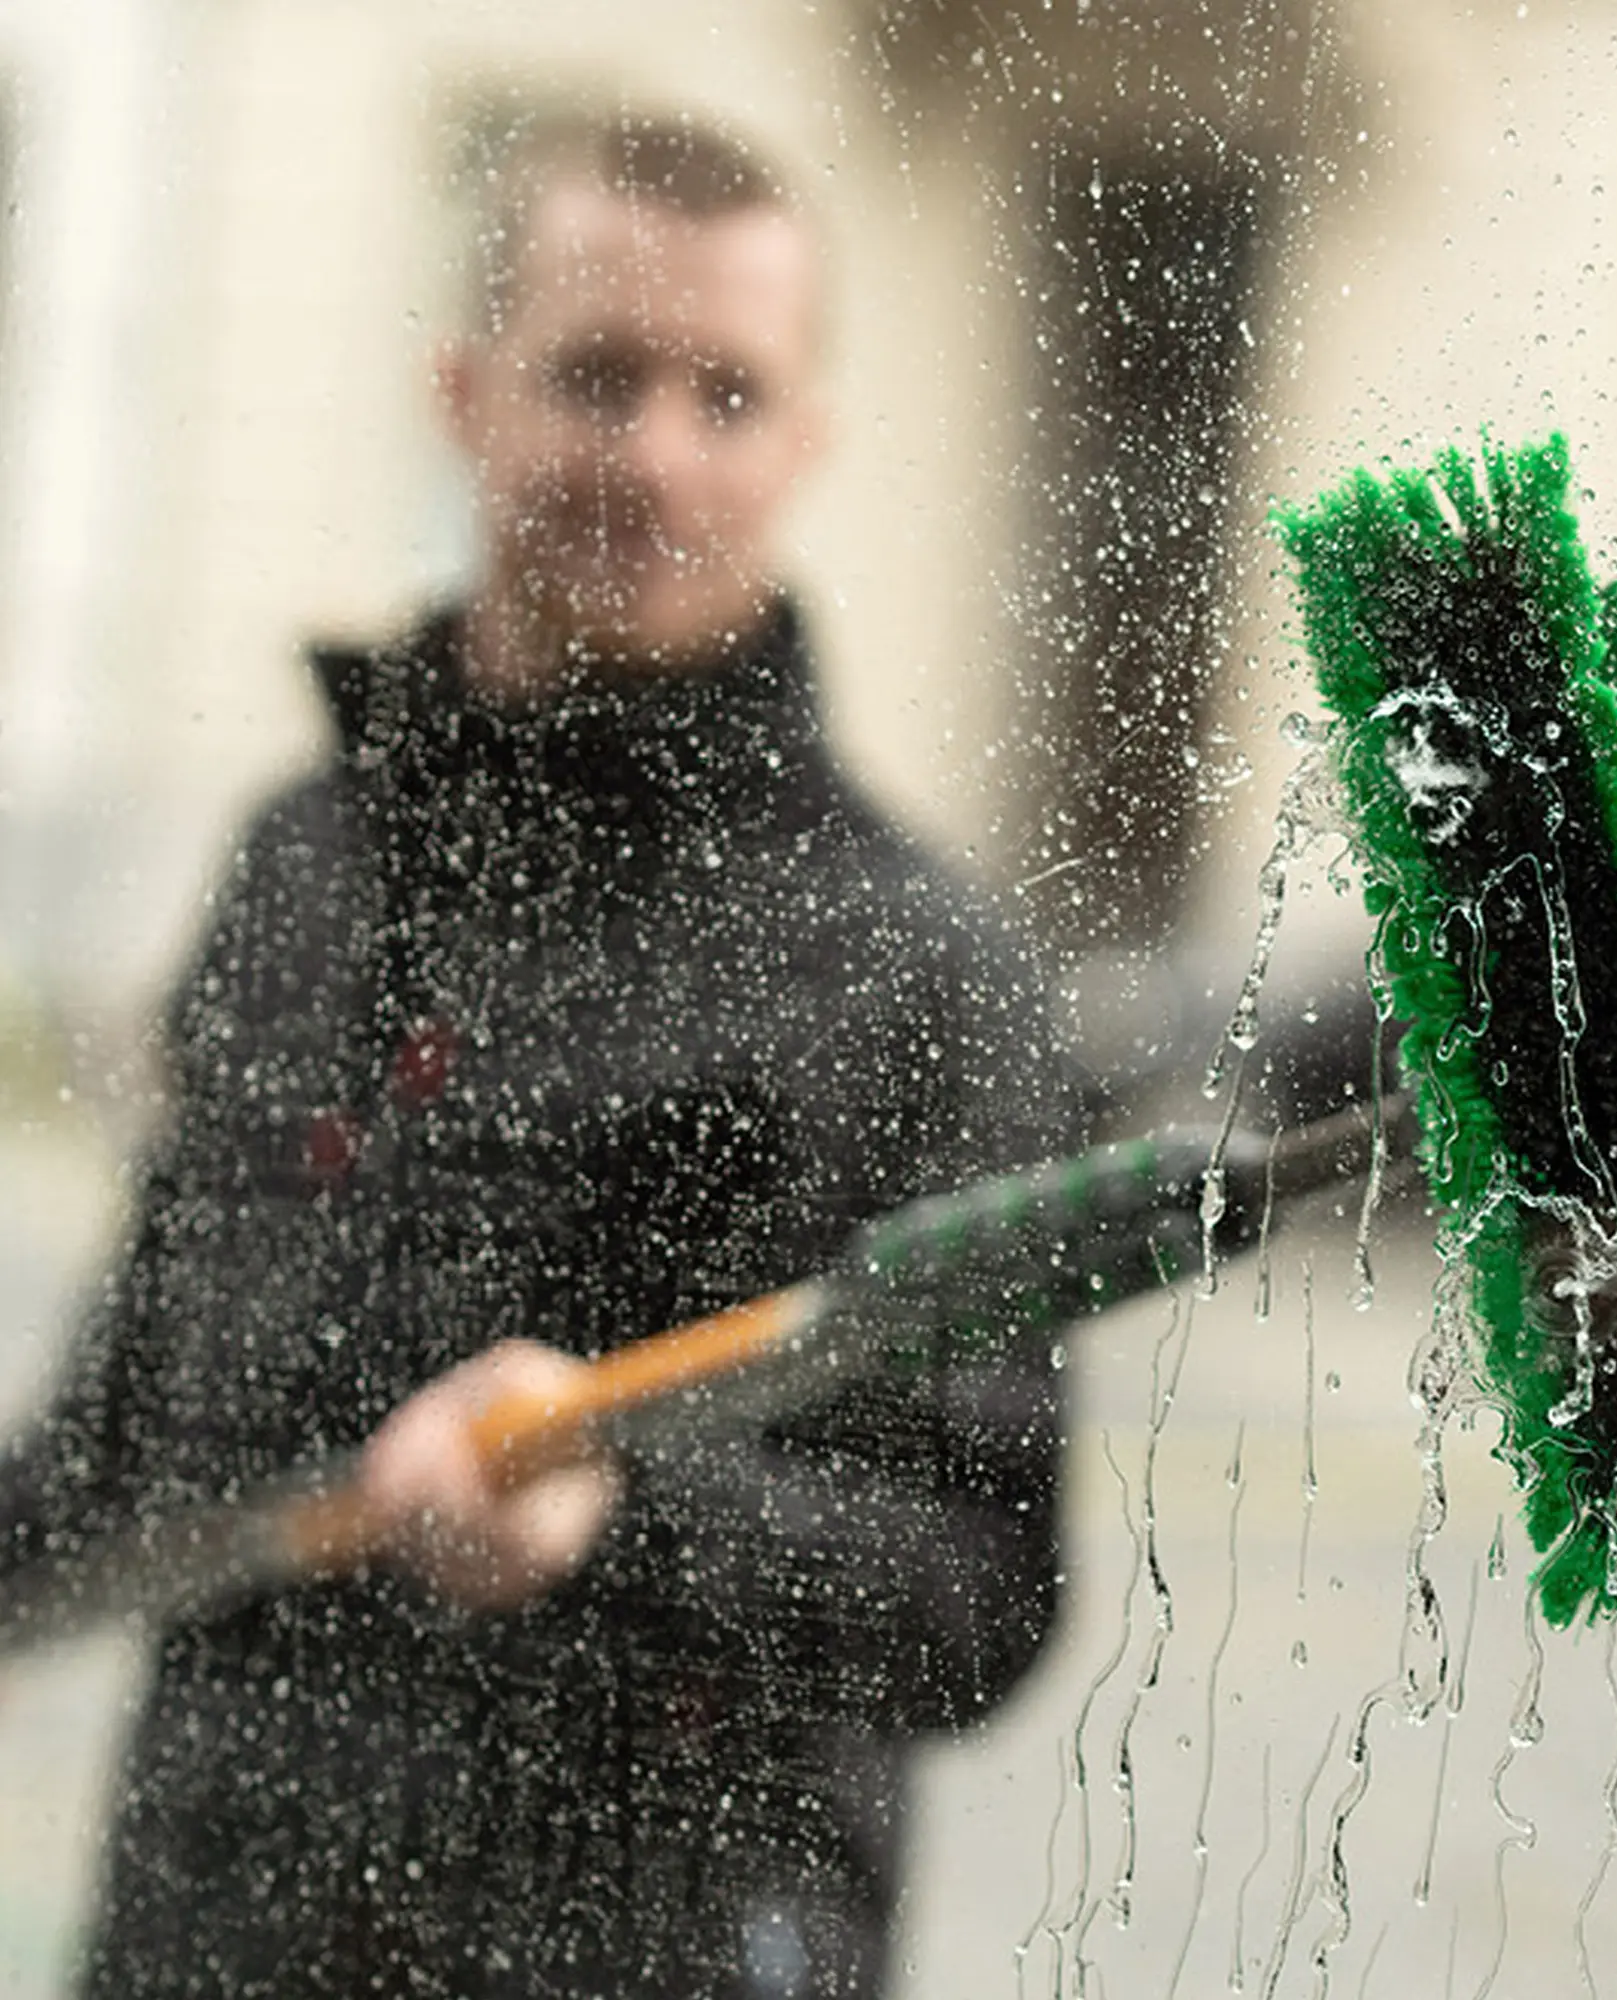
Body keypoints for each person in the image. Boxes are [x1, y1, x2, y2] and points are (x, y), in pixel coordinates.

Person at [0, 107, 1084, 1998]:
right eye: (594, 375)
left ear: (807, 441)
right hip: (208, 1939)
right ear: (465, 391)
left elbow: (977, 1598)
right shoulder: (304, 864)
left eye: (725, 395)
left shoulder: (926, 975)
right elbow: (131, 1421)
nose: (654, 453)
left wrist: (624, 1508)